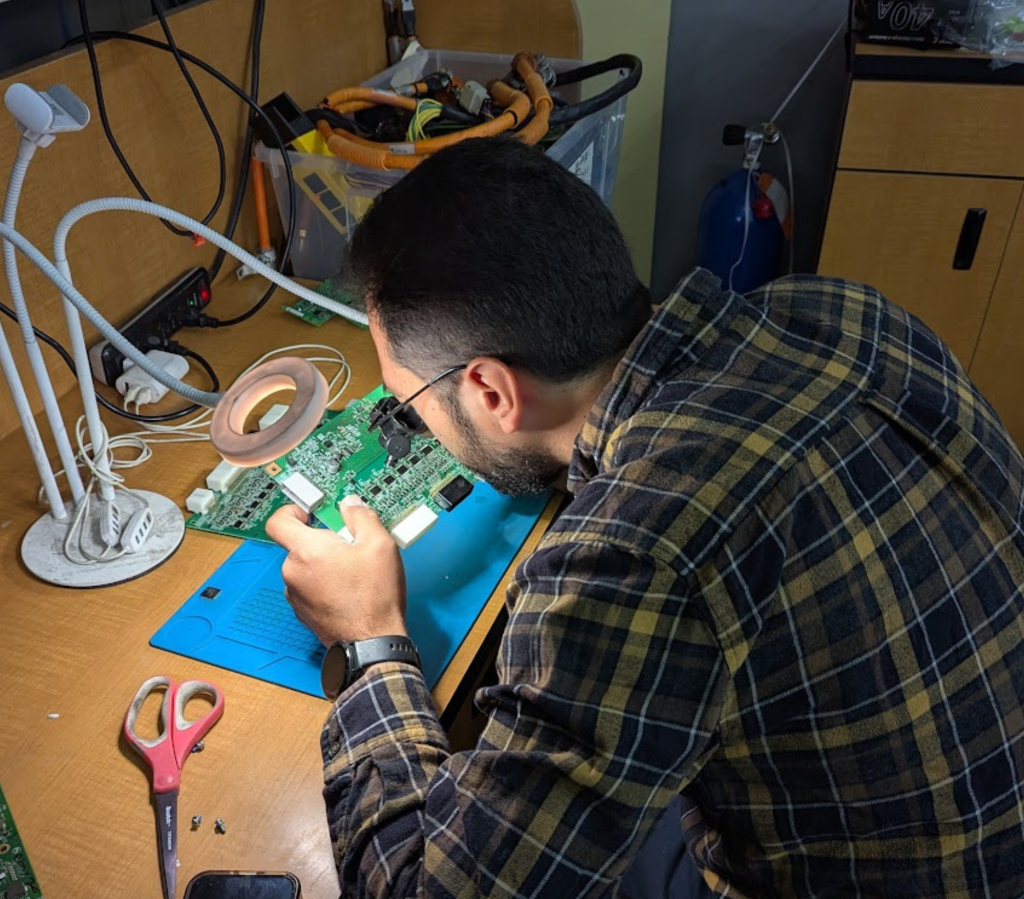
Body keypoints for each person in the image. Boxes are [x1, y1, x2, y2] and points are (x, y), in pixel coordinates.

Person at [264, 136, 1024, 899]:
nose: (416, 424)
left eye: (411, 403)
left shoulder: (637, 554)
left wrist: (370, 639)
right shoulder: (844, 310)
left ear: (492, 392)